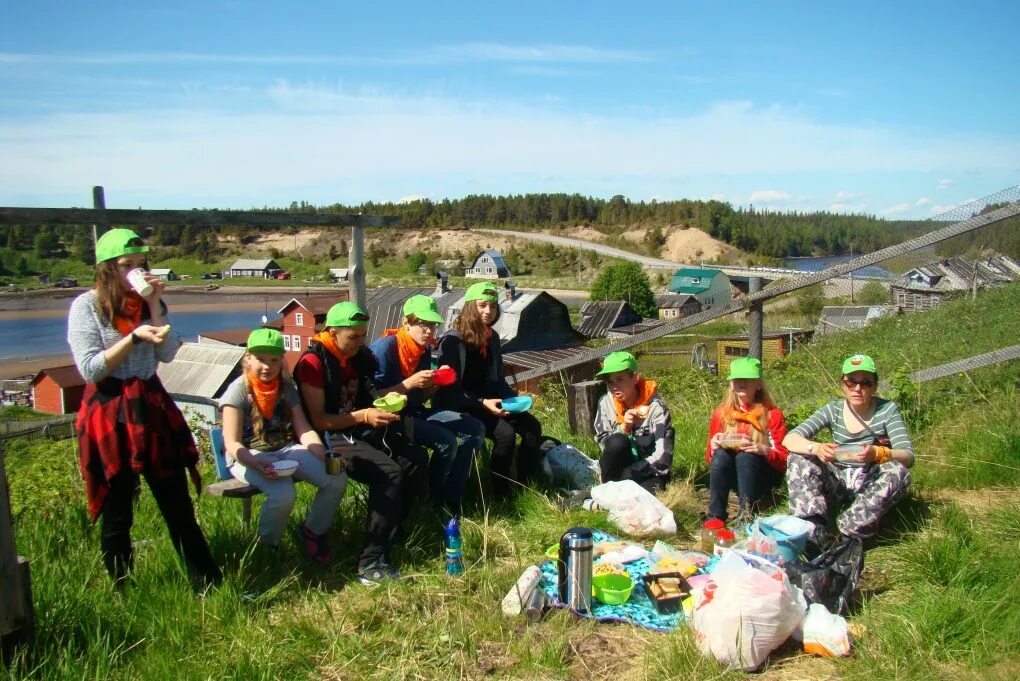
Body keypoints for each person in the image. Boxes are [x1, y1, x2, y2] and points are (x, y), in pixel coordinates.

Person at [68, 228, 221, 587]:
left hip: (149, 406)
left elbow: (168, 352)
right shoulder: (86, 307)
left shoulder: (149, 305)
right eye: (126, 265)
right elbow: (90, 368)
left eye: (141, 264)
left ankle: (207, 581)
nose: (135, 271)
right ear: (107, 268)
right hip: (110, 408)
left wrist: (154, 306)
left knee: (177, 503)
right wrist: (132, 337)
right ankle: (123, 586)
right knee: (118, 507)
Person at [295, 301, 427, 584]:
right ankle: (371, 563)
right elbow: (319, 420)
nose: (359, 342)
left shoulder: (356, 357)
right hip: (330, 437)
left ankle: (391, 531)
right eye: (352, 336)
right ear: (332, 332)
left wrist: (388, 403)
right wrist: (365, 415)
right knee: (389, 472)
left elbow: (369, 395)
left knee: (414, 459)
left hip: (357, 428)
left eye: (362, 335)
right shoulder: (313, 363)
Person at [219, 329, 347, 564]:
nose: (267, 366)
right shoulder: (238, 390)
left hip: (284, 450)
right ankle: (269, 546)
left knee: (336, 478)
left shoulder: (286, 388)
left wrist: (323, 453)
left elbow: (304, 429)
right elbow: (232, 443)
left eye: (274, 360)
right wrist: (256, 462)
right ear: (248, 358)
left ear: (281, 361)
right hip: (247, 455)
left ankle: (312, 531)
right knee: (284, 493)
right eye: (260, 359)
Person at [369, 295, 484, 518]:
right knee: (447, 441)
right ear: (406, 323)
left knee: (474, 429)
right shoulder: (385, 348)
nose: (429, 331)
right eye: (423, 324)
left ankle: (453, 497)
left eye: (432, 324)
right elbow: (373, 399)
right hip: (390, 420)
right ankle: (431, 501)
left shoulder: (422, 350)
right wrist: (408, 383)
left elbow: (418, 400)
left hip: (414, 412)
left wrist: (435, 385)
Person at [783, 354, 914, 545]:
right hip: (837, 477)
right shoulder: (832, 410)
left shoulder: (887, 410)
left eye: (866, 383)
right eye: (851, 382)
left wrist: (878, 453)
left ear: (875, 386)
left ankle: (848, 533)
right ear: (843, 385)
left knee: (897, 471)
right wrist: (816, 447)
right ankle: (812, 528)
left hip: (870, 478)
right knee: (798, 458)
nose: (858, 388)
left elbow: (908, 456)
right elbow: (790, 439)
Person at [433, 282, 543, 498]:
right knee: (505, 434)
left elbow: (496, 378)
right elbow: (451, 389)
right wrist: (483, 403)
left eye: (492, 307)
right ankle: (502, 495)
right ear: (470, 307)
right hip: (460, 403)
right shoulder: (452, 341)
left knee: (532, 426)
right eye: (482, 305)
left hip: (490, 400)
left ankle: (525, 485)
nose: (488, 311)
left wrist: (514, 398)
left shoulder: (491, 337)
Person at [705, 357, 788, 522]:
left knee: (746, 456)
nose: (742, 383)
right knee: (721, 455)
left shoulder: (772, 414)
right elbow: (709, 459)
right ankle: (715, 516)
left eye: (747, 379)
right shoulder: (721, 413)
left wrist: (764, 451)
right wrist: (713, 448)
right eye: (737, 379)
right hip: (733, 476)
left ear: (758, 384)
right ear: (731, 384)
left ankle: (747, 516)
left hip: (761, 475)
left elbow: (785, 460)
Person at [592, 351, 674, 493]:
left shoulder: (656, 408)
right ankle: (608, 490)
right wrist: (623, 428)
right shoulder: (606, 403)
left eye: (620, 379)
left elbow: (663, 458)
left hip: (649, 470)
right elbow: (605, 446)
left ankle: (612, 491)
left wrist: (627, 475)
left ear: (635, 377)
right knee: (617, 440)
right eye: (610, 382)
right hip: (617, 469)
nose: (614, 387)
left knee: (643, 497)